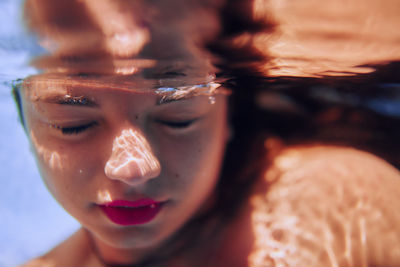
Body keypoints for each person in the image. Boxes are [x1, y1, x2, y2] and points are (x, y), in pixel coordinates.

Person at [15, 0, 400, 266]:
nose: (132, 169)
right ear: (23, 119)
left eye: (178, 118)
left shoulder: (333, 201)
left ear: (230, 111)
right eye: (72, 124)